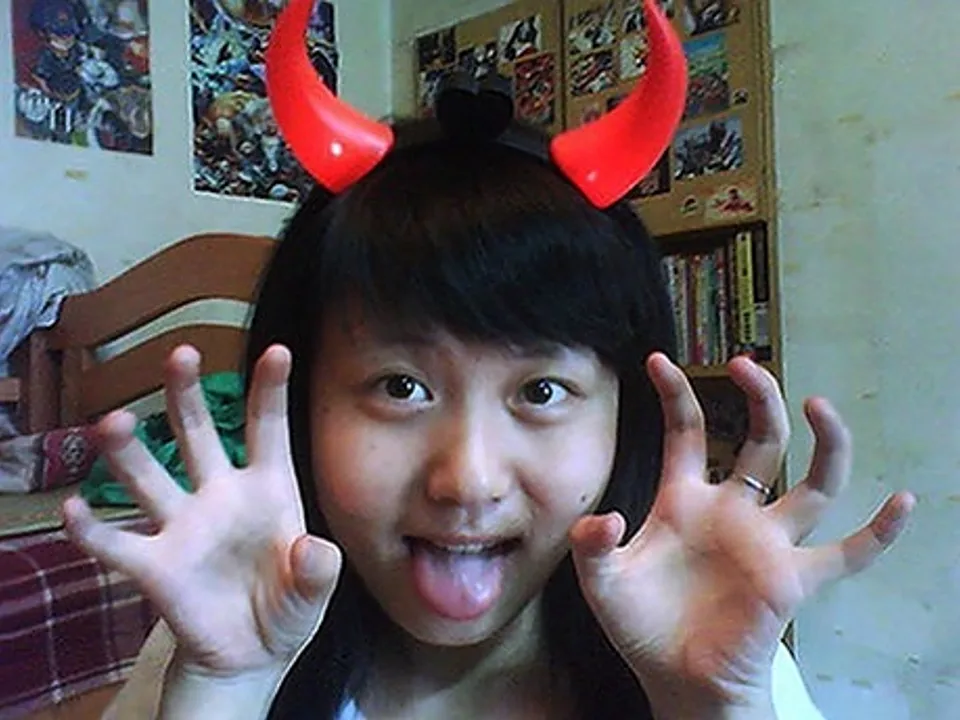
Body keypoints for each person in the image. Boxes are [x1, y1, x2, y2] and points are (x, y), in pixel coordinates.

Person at [62, 0, 915, 718]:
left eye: (541, 390)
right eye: (400, 386)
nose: (467, 480)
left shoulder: (724, 660)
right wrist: (224, 692)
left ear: (627, 417)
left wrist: (710, 709)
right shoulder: (212, 648)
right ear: (294, 408)